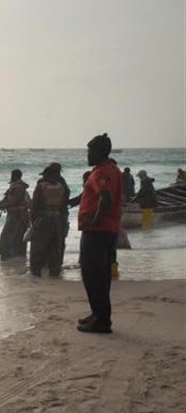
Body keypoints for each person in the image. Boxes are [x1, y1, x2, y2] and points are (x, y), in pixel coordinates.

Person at [77, 133, 123, 334]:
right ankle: (99, 314)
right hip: (109, 230)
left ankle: (102, 320)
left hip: (97, 232)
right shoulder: (113, 169)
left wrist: (94, 221)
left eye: (90, 151)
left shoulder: (100, 173)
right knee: (101, 275)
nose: (87, 155)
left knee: (93, 275)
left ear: (99, 152)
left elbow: (106, 199)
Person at [0, 169, 30, 260]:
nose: (11, 176)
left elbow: (11, 203)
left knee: (8, 237)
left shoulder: (18, 188)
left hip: (18, 216)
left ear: (15, 176)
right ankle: (15, 258)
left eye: (12, 175)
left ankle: (10, 258)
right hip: (15, 215)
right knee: (15, 237)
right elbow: (4, 201)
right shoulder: (15, 187)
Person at [29, 166, 69, 277]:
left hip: (43, 220)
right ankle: (54, 274)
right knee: (55, 249)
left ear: (48, 175)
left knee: (38, 249)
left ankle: (35, 274)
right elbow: (63, 205)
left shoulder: (41, 187)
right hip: (57, 220)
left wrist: (32, 221)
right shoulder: (61, 187)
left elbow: (34, 205)